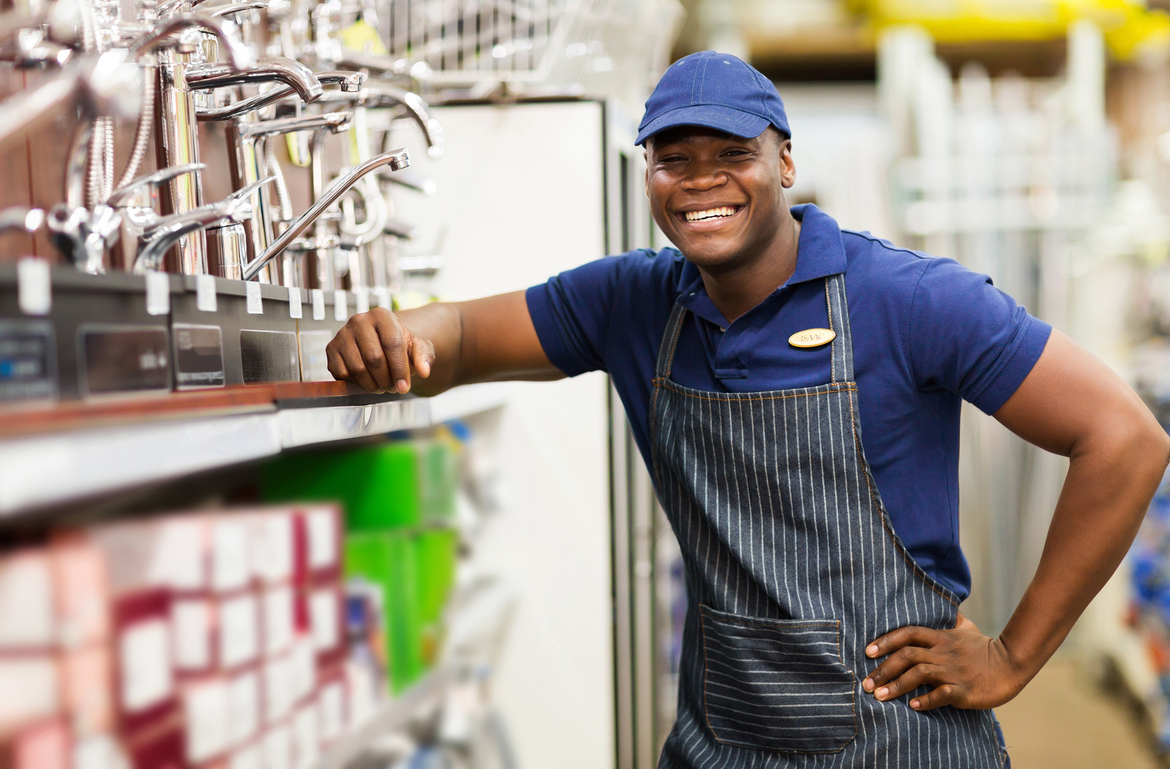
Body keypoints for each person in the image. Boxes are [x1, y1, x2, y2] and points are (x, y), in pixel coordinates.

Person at [326, 50, 1170, 767]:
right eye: (673, 160)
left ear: (785, 163)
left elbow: (1125, 439)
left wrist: (1014, 655)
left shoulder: (912, 301)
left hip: (901, 739)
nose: (700, 183)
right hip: (722, 739)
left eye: (731, 152)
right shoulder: (632, 303)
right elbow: (466, 336)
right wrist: (396, 335)